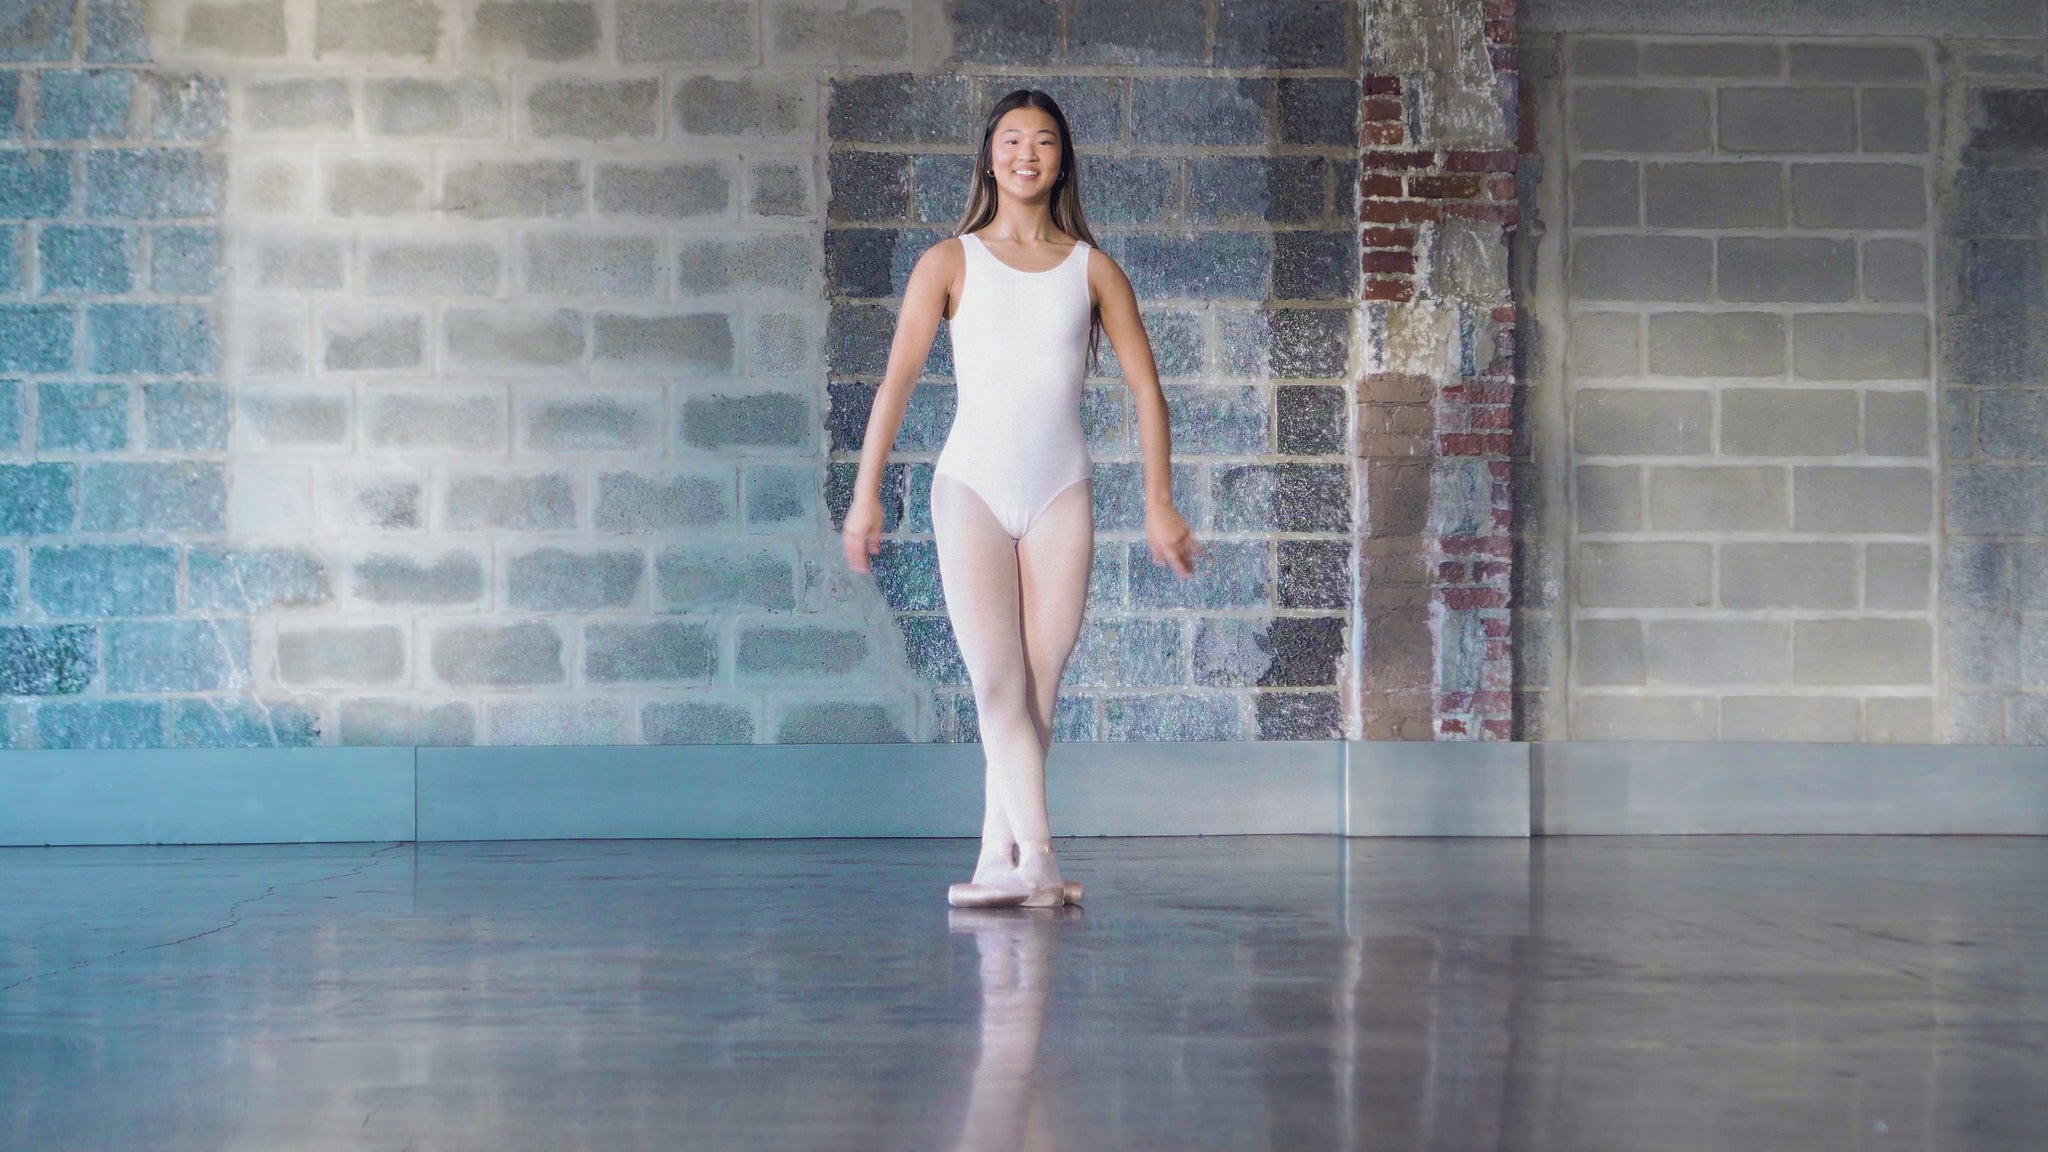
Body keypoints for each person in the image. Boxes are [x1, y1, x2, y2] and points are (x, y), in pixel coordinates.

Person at [841, 89, 1200, 908]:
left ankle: (991, 858)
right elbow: (896, 383)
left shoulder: (1093, 270)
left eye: (1042, 141)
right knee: (996, 683)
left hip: (1060, 492)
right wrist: (866, 494)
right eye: (1010, 139)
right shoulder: (949, 262)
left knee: (1039, 688)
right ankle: (1038, 859)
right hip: (969, 487)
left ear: (1062, 160)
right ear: (989, 156)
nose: (1026, 153)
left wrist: (1160, 501)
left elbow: (1148, 391)